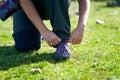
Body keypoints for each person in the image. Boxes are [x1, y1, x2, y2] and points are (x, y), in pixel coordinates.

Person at [0, 0, 90, 59]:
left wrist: (81, 26)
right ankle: (38, 34)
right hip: (25, 4)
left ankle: (63, 41)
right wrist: (44, 31)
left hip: (54, 3)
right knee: (26, 46)